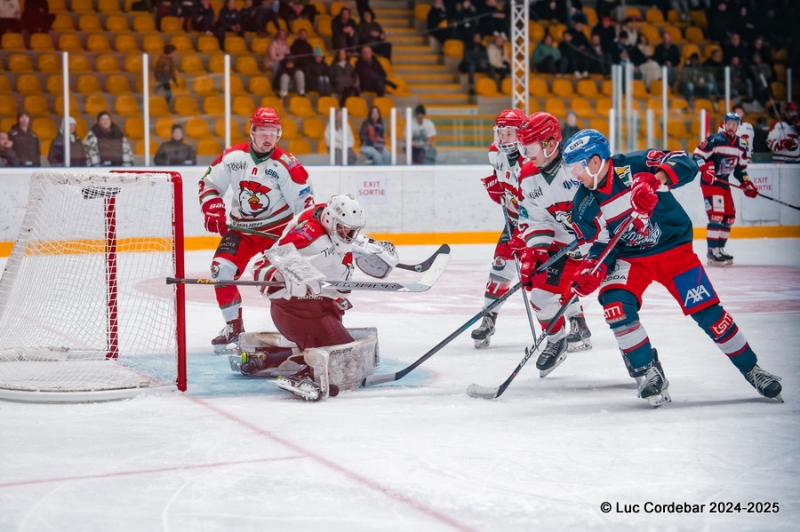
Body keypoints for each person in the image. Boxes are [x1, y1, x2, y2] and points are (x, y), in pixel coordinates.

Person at [563, 129, 783, 405]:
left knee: (708, 313)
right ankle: (648, 371)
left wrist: (655, 180)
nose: (573, 175)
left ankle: (752, 368)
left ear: (594, 161)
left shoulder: (637, 164)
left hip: (673, 249)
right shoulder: (583, 204)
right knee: (615, 304)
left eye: (575, 167)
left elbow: (686, 162)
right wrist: (591, 269)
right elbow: (600, 245)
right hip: (630, 259)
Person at [248, 194, 398, 400]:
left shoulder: (330, 222)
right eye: (345, 230)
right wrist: (286, 275)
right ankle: (305, 375)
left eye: (353, 231)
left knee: (347, 356)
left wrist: (369, 246)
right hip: (297, 311)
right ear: (329, 221)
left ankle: (268, 357)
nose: (349, 236)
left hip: (320, 306)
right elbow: (260, 266)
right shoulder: (309, 237)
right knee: (346, 361)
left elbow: (344, 238)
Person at [198, 107, 315, 353]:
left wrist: (299, 235)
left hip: (278, 234)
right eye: (262, 131)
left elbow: (305, 206)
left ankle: (306, 326)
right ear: (252, 131)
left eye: (272, 132)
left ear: (279, 134)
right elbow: (209, 184)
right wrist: (212, 206)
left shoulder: (288, 166)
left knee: (294, 279)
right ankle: (233, 327)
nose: (268, 138)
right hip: (241, 231)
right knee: (221, 270)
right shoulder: (233, 157)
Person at [513, 112, 593, 375]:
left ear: (550, 143)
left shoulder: (578, 165)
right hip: (565, 248)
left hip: (601, 247)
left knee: (617, 300)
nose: (527, 154)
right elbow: (535, 220)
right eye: (524, 148)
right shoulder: (527, 176)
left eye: (531, 147)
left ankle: (640, 360)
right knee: (540, 296)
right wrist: (534, 255)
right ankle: (557, 340)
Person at [470, 108, 526, 348]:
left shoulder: (533, 159)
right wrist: (498, 189)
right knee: (499, 268)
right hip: (513, 223)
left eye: (509, 133)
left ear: (521, 133)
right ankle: (489, 318)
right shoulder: (495, 153)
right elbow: (504, 183)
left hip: (540, 226)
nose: (503, 139)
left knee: (550, 276)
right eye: (501, 133)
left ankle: (576, 321)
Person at [694, 112, 758, 266]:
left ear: (737, 126)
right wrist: (705, 168)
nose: (730, 126)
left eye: (734, 124)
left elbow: (740, 170)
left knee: (729, 218)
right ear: (724, 124)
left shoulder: (741, 145)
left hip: (724, 183)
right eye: (728, 123)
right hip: (710, 183)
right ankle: (711, 252)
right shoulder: (714, 140)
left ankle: (720, 250)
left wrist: (746, 184)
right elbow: (696, 156)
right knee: (716, 216)